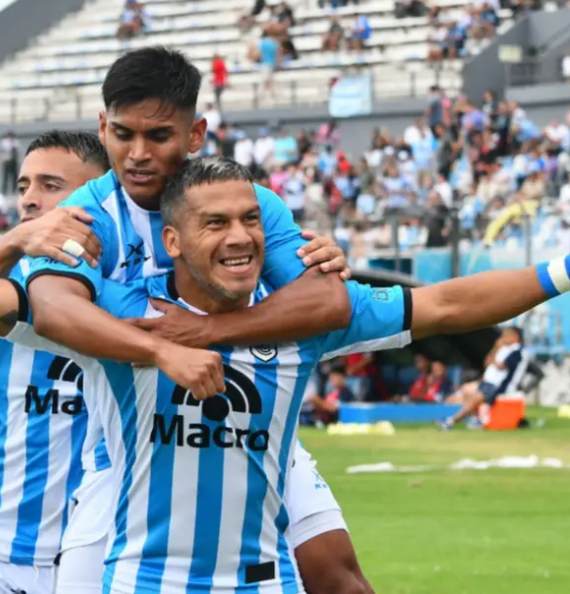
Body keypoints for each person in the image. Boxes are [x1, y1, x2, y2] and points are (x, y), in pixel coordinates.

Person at [0, 154, 570, 594]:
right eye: (214, 223)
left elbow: (443, 304)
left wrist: (568, 269)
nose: (240, 237)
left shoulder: (302, 323)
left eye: (249, 219)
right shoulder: (123, 321)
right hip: (141, 583)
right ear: (172, 243)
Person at [23, 47, 369, 594]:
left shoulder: (242, 200)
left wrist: (208, 332)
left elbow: (326, 303)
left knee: (341, 580)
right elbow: (52, 307)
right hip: (129, 451)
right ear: (102, 126)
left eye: (158, 136)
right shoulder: (85, 213)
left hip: (255, 433)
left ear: (195, 134)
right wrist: (163, 350)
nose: (137, 154)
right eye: (121, 133)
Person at [440, 327, 527, 429]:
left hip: (498, 385)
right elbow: (487, 362)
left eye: (505, 335)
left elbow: (501, 366)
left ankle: (451, 421)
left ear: (515, 337)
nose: (502, 338)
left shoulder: (517, 352)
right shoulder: (503, 349)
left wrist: (495, 356)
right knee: (466, 389)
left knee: (476, 397)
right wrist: (495, 348)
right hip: (487, 382)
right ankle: (475, 418)